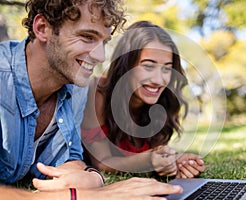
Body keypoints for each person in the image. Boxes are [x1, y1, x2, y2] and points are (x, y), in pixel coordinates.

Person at [0, 0, 182, 199]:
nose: (101, 56)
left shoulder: (76, 86)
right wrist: (88, 196)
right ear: (43, 28)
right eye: (87, 37)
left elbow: (73, 159)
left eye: (104, 42)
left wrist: (94, 178)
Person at [81, 21, 206, 178]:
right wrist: (149, 161)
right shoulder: (97, 92)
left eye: (167, 68)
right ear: (126, 65)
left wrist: (174, 162)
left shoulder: (163, 101)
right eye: (148, 66)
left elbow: (154, 156)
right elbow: (102, 162)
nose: (158, 80)